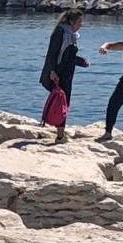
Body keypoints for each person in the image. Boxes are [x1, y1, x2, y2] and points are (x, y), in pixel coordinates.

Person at [39, 9, 89, 143]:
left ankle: (59, 133)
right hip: (58, 73)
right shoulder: (60, 32)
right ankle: (60, 136)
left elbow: (69, 56)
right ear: (72, 21)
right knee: (61, 102)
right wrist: (52, 71)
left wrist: (81, 61)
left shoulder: (71, 35)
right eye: (79, 22)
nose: (81, 24)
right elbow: (52, 53)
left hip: (67, 72)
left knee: (64, 102)